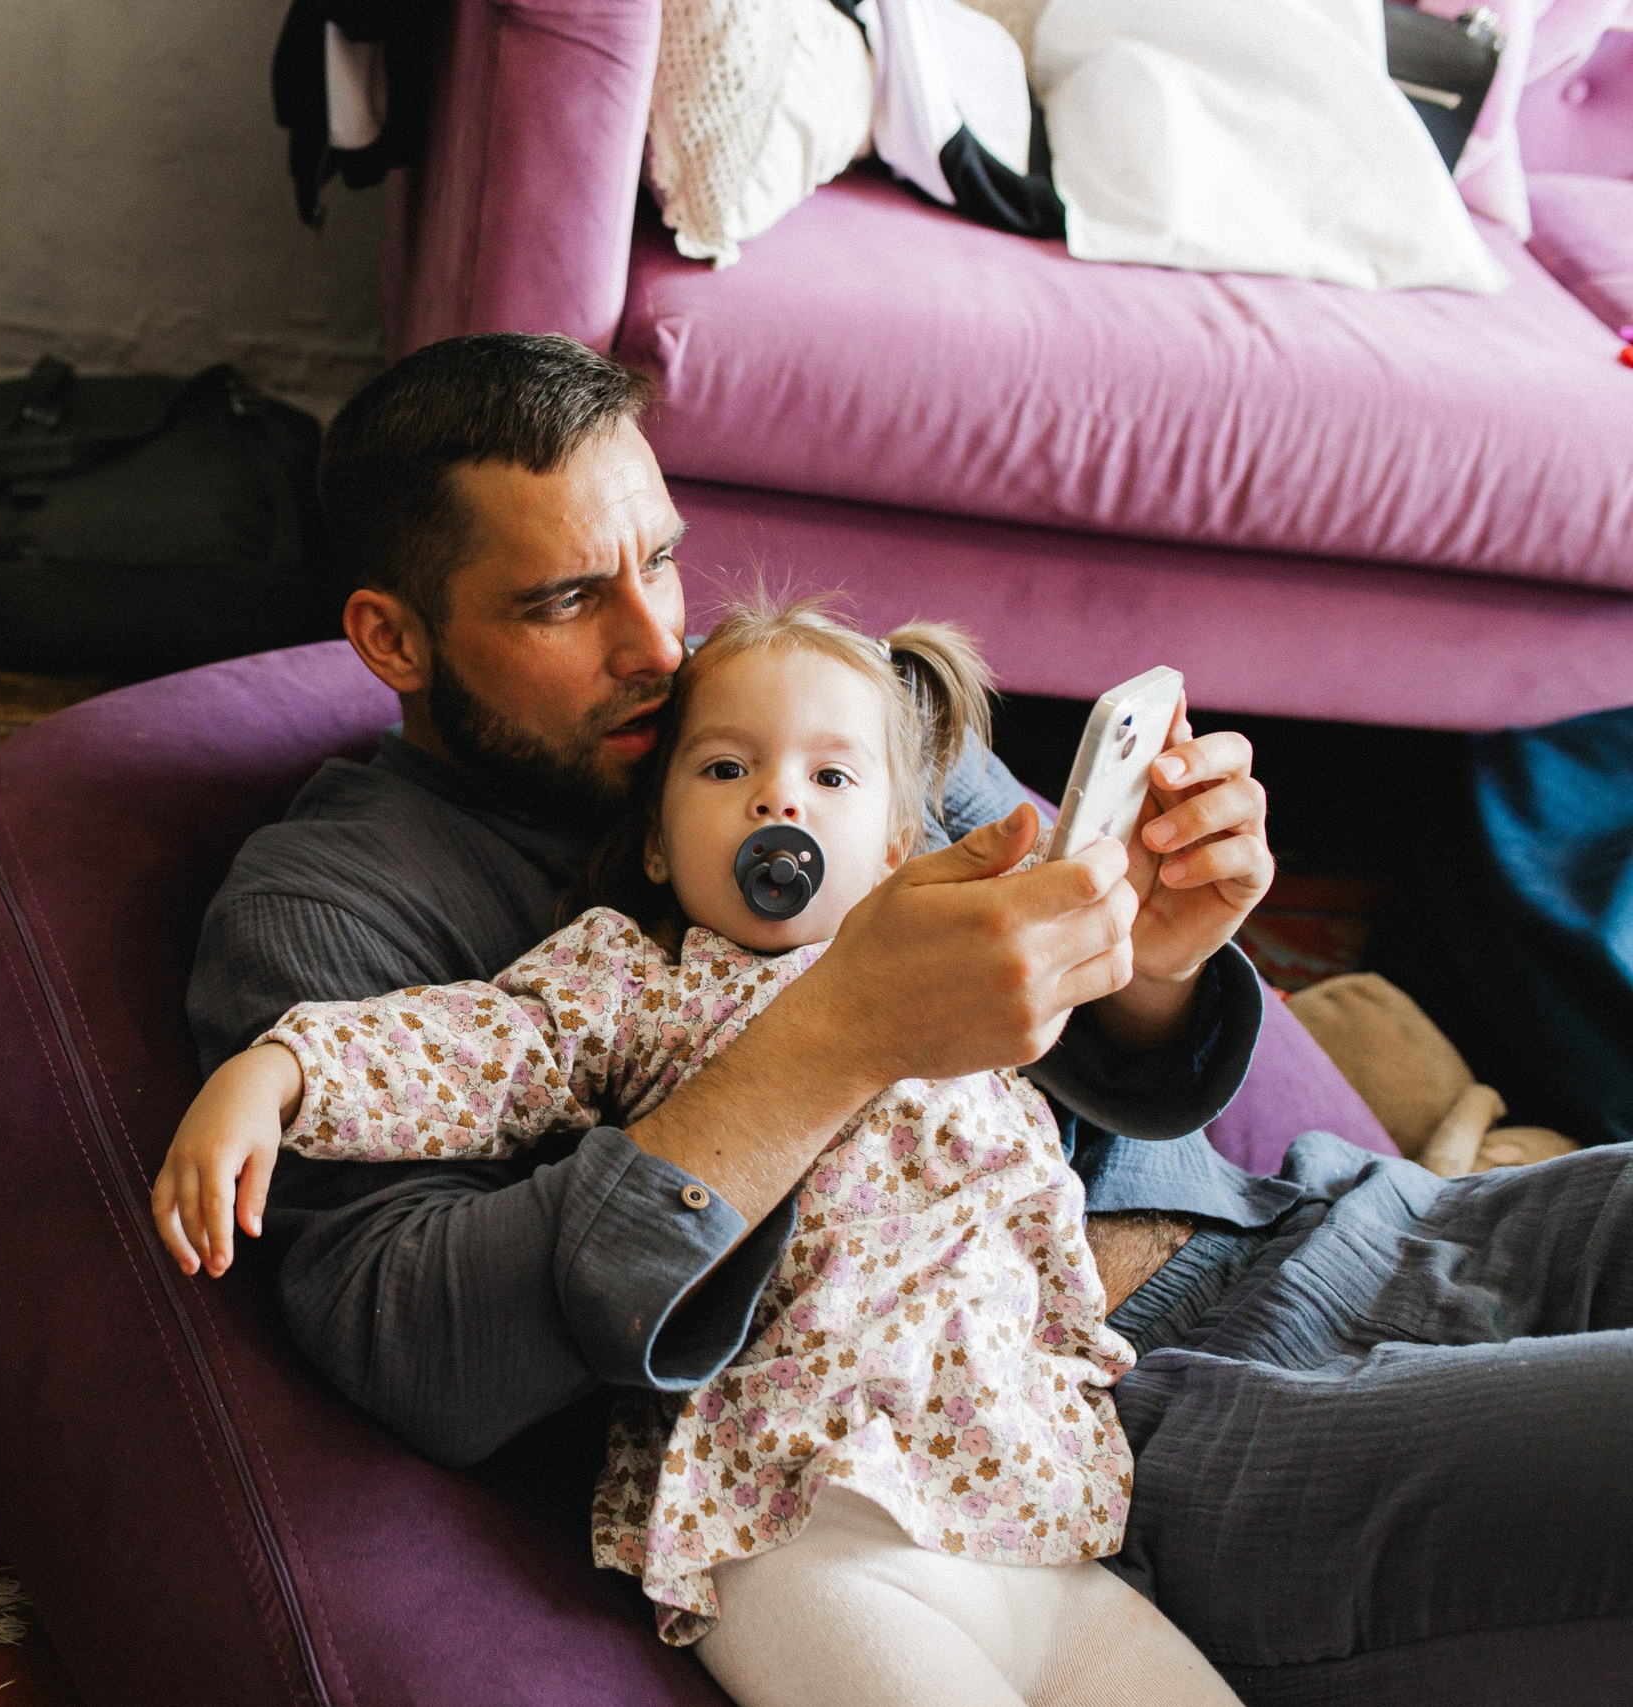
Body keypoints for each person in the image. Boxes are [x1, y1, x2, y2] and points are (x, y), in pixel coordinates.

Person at [185, 332, 1633, 1685]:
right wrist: (838, 1035)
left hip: (1321, 1221)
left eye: (661, 561)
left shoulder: (803, 705)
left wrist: (1151, 950)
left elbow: (1104, 1028)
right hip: (1078, 1437)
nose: (657, 646)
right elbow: (415, 1337)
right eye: (565, 599)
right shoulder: (342, 903)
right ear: (392, 638)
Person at [161, 600, 1246, 1706]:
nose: (779, 799)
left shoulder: (971, 958)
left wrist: (1148, 923)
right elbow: (474, 1047)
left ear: (892, 847)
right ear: (655, 840)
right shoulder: (636, 980)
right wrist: (281, 1071)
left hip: (1025, 1500)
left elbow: (1107, 995)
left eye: (831, 776)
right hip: (795, 1518)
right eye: (727, 769)